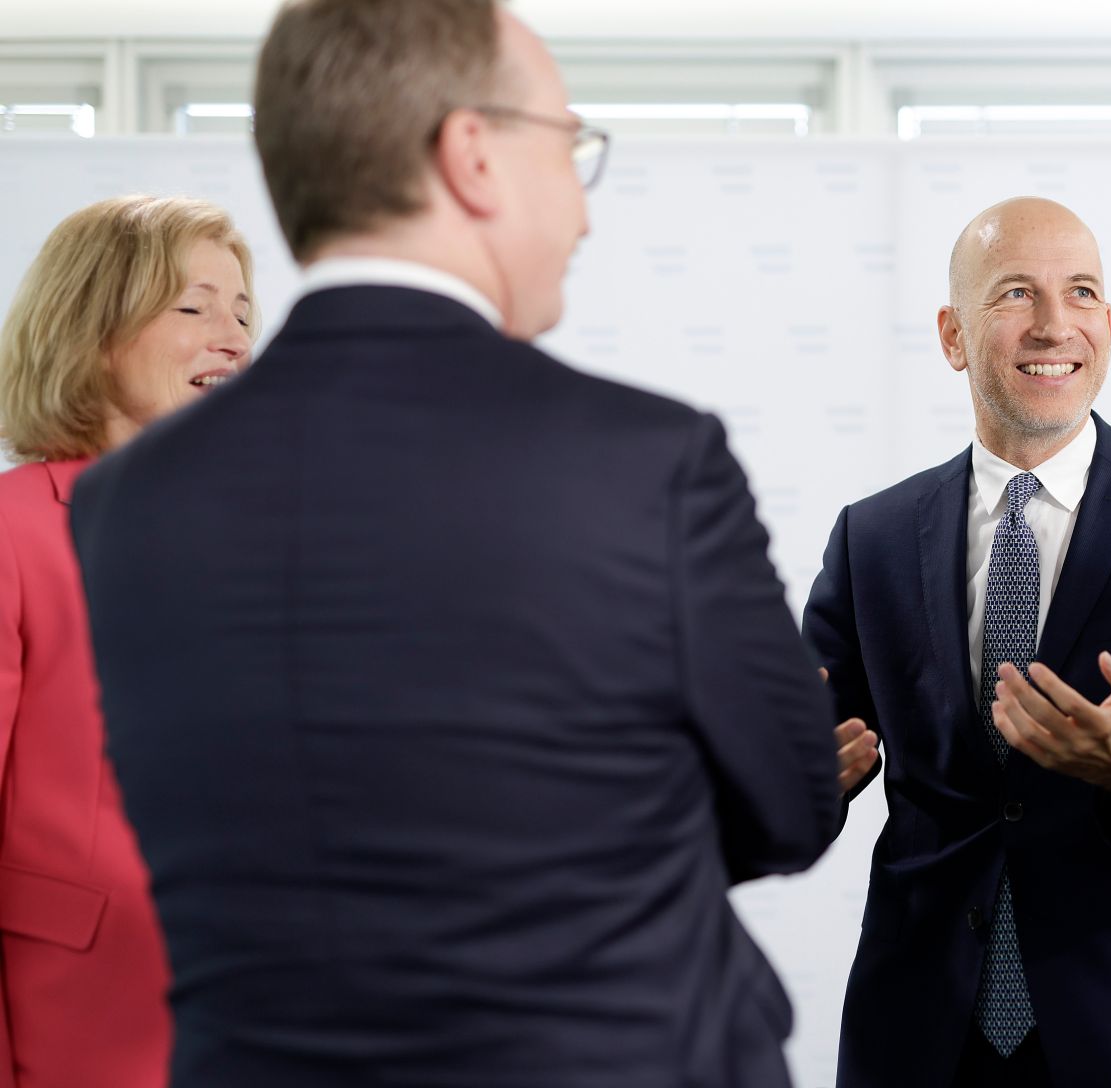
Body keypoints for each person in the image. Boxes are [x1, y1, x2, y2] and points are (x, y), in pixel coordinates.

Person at [68, 2, 840, 1086]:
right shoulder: (651, 460)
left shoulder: (122, 506)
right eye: (567, 144)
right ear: (472, 154)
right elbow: (794, 801)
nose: (580, 206)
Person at [806, 196, 1111, 1088]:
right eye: (1017, 293)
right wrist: (787, 782)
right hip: (918, 1033)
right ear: (953, 335)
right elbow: (798, 763)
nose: (1056, 325)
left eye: (1084, 293)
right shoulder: (870, 537)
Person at [0, 193, 256, 1088]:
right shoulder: (10, 531)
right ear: (94, 329)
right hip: (77, 1032)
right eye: (193, 306)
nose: (231, 336)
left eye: (242, 310)